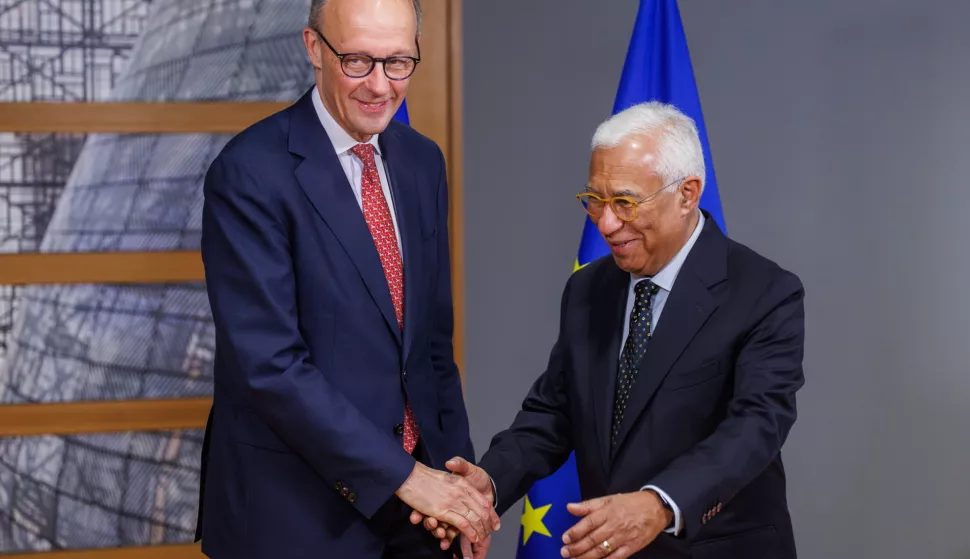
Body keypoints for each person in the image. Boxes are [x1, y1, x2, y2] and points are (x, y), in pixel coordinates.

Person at [430, 101, 805, 558]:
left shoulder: (763, 292)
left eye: (625, 203)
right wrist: (488, 484)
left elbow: (755, 427)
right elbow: (553, 413)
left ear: (687, 194)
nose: (606, 224)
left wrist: (659, 503)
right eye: (594, 201)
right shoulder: (588, 289)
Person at [194, 0, 499, 557]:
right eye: (358, 61)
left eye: (399, 61)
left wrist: (458, 482)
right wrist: (409, 477)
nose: (381, 86)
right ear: (314, 48)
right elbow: (272, 368)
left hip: (419, 514)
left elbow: (431, 345)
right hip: (297, 516)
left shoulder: (422, 162)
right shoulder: (248, 174)